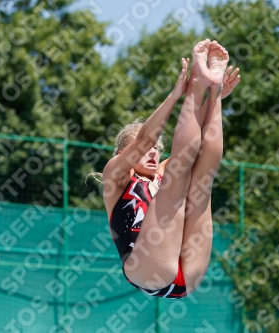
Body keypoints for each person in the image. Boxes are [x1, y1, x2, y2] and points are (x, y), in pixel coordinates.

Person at [102, 39, 240, 299]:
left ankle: (212, 85)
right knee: (177, 173)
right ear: (123, 155)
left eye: (156, 149)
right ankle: (198, 84)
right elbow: (145, 140)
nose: (153, 151)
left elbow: (193, 150)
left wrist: (215, 97)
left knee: (200, 176)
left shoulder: (162, 173)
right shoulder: (116, 179)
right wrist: (179, 94)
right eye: (146, 150)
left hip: (186, 278)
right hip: (146, 270)